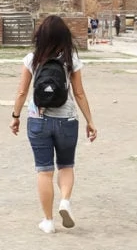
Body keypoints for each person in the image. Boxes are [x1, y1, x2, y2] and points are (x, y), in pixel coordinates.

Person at [10, 15, 98, 234]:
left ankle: (48, 221)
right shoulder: (71, 59)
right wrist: (90, 120)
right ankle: (65, 201)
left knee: (44, 171)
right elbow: (79, 92)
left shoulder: (32, 58)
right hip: (67, 119)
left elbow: (22, 91)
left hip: (38, 119)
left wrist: (15, 116)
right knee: (66, 165)